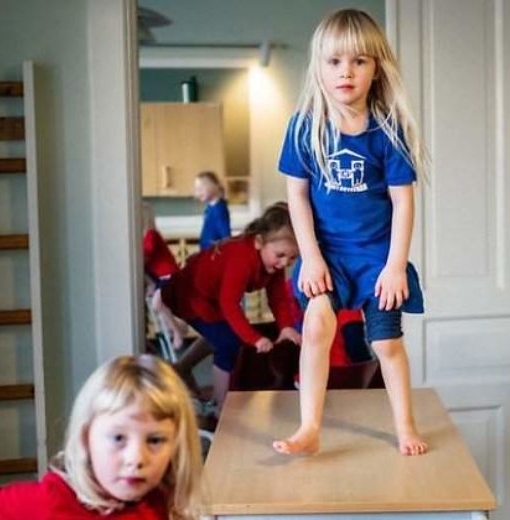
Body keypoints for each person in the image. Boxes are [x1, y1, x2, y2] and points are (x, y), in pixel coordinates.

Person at [274, 8, 428, 456]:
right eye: (335, 61)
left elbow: (403, 202)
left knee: (386, 343)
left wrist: (395, 266)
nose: (346, 72)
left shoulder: (388, 132)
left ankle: (405, 427)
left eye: (359, 61)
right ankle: (310, 428)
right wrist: (311, 257)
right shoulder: (305, 127)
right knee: (317, 326)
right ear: (319, 68)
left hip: (377, 259)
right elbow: (297, 196)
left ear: (376, 69)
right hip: (328, 257)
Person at [0, 355, 204, 520]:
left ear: (176, 445)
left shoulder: (158, 500)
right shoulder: (51, 502)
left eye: (155, 440)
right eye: (118, 438)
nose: (136, 459)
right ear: (86, 439)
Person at [153, 202, 302, 415]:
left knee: (220, 333)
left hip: (211, 297)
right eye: (280, 255)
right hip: (190, 293)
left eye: (293, 257)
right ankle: (222, 406)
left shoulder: (274, 263)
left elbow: (278, 298)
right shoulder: (241, 258)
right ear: (259, 242)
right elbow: (229, 304)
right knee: (229, 343)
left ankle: (182, 367)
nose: (285, 262)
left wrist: (286, 327)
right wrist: (254, 339)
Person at [194, 171, 231, 251]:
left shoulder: (219, 209)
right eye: (196, 189)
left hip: (214, 254)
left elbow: (226, 237)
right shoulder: (210, 207)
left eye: (201, 188)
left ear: (215, 186)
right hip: (207, 252)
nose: (198, 192)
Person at [142, 202, 179, 280]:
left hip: (166, 275)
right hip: (162, 275)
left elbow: (147, 252)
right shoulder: (150, 233)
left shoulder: (151, 233)